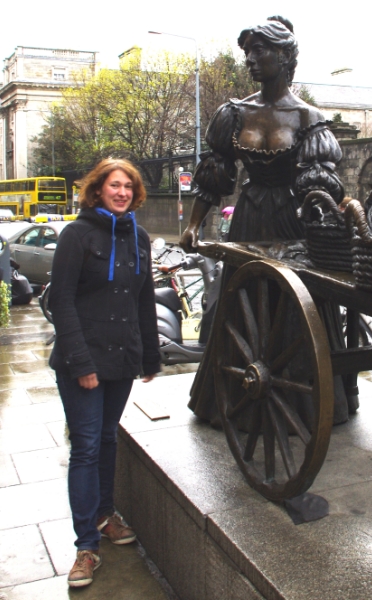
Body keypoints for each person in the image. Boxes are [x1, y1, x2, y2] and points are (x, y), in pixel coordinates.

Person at [180, 16, 355, 424]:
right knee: (241, 304)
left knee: (297, 308)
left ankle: (304, 405)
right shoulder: (234, 113)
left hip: (293, 223)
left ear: (285, 56)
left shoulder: (309, 119)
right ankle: (237, 400)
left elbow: (323, 185)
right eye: (248, 53)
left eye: (261, 51)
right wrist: (192, 225)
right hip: (249, 219)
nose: (251, 60)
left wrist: (337, 208)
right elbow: (214, 175)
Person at [49, 158, 161, 588]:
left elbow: (143, 301)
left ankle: (104, 515)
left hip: (121, 359)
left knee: (109, 438)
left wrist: (149, 357)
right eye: (114, 186)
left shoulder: (140, 237)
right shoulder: (77, 235)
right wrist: (82, 363)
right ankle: (85, 546)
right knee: (87, 446)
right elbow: (60, 301)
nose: (122, 193)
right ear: (97, 191)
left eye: (128, 187)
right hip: (84, 359)